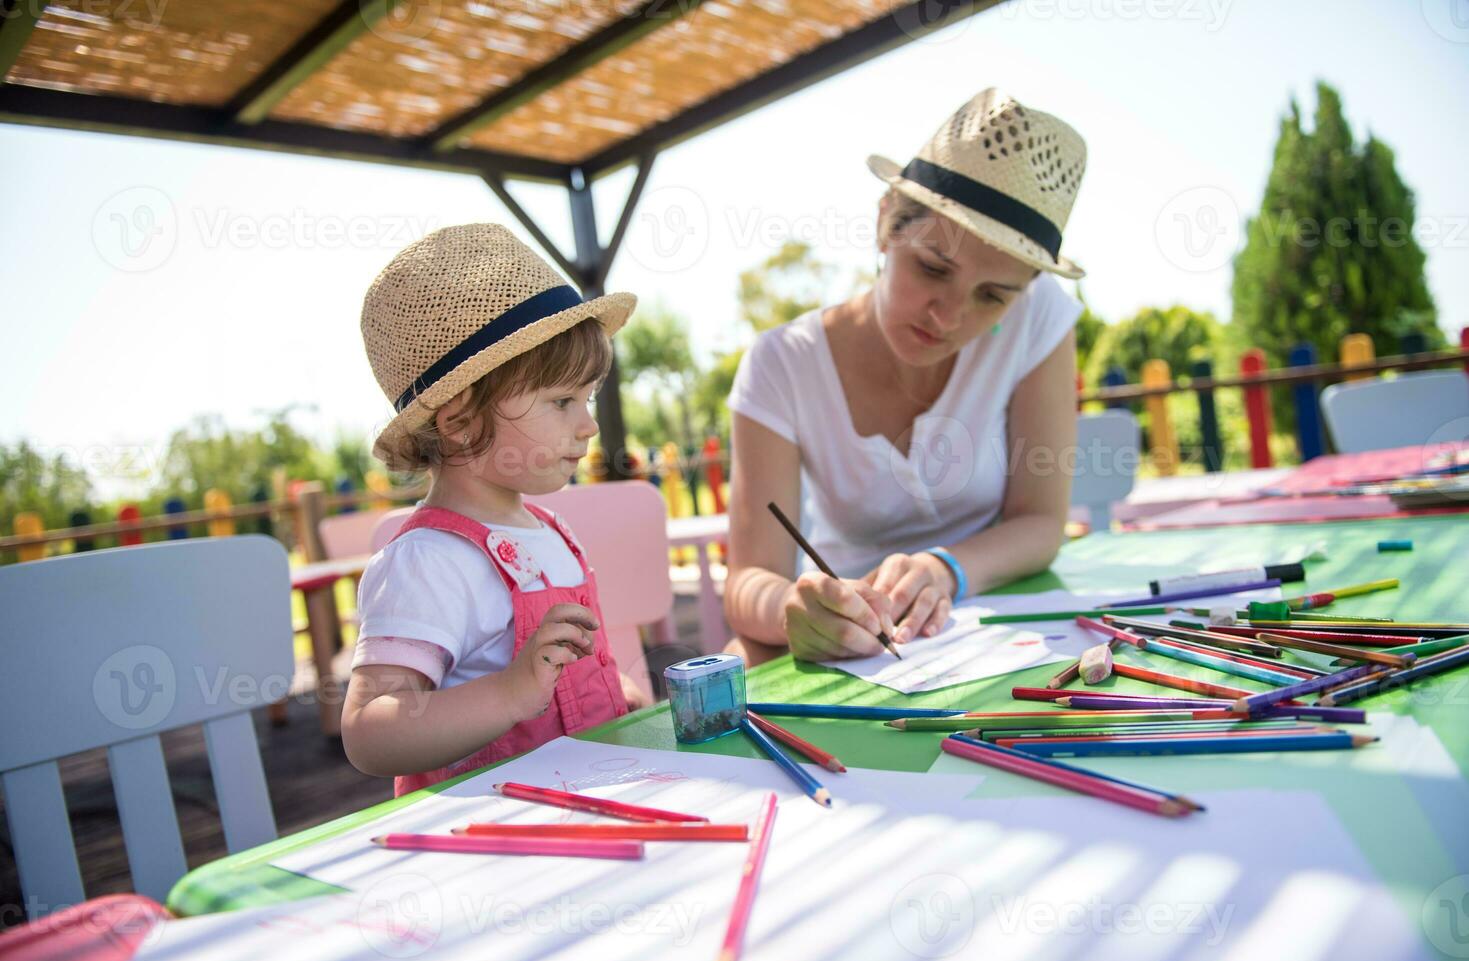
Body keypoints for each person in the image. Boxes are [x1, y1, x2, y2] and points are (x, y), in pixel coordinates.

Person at [724, 88, 1089, 664]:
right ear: (886, 224)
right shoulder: (780, 364)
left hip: (997, 626)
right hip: (851, 644)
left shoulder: (1038, 316)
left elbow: (1043, 520)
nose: (948, 317)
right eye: (932, 268)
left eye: (992, 296)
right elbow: (750, 578)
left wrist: (945, 568)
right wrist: (796, 607)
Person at [341, 223, 650, 796]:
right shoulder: (428, 560)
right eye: (561, 402)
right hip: (494, 839)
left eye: (585, 399)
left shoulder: (549, 532)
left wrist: (611, 698)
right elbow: (368, 732)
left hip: (594, 806)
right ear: (458, 420)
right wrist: (509, 693)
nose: (589, 424)